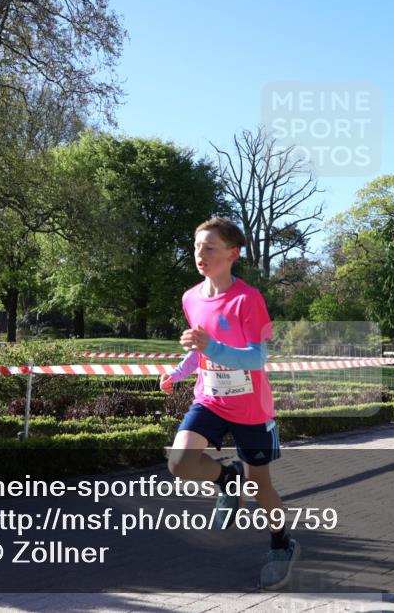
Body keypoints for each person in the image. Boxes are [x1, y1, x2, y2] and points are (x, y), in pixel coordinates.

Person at [159, 217, 297, 590]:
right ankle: (226, 478)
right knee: (179, 461)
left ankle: (281, 543)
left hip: (251, 408)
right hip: (210, 398)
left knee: (260, 488)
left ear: (232, 254)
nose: (200, 255)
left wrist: (212, 347)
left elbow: (256, 358)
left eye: (210, 248)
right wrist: (178, 372)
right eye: (196, 248)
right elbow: (198, 350)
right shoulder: (190, 297)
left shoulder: (248, 299)